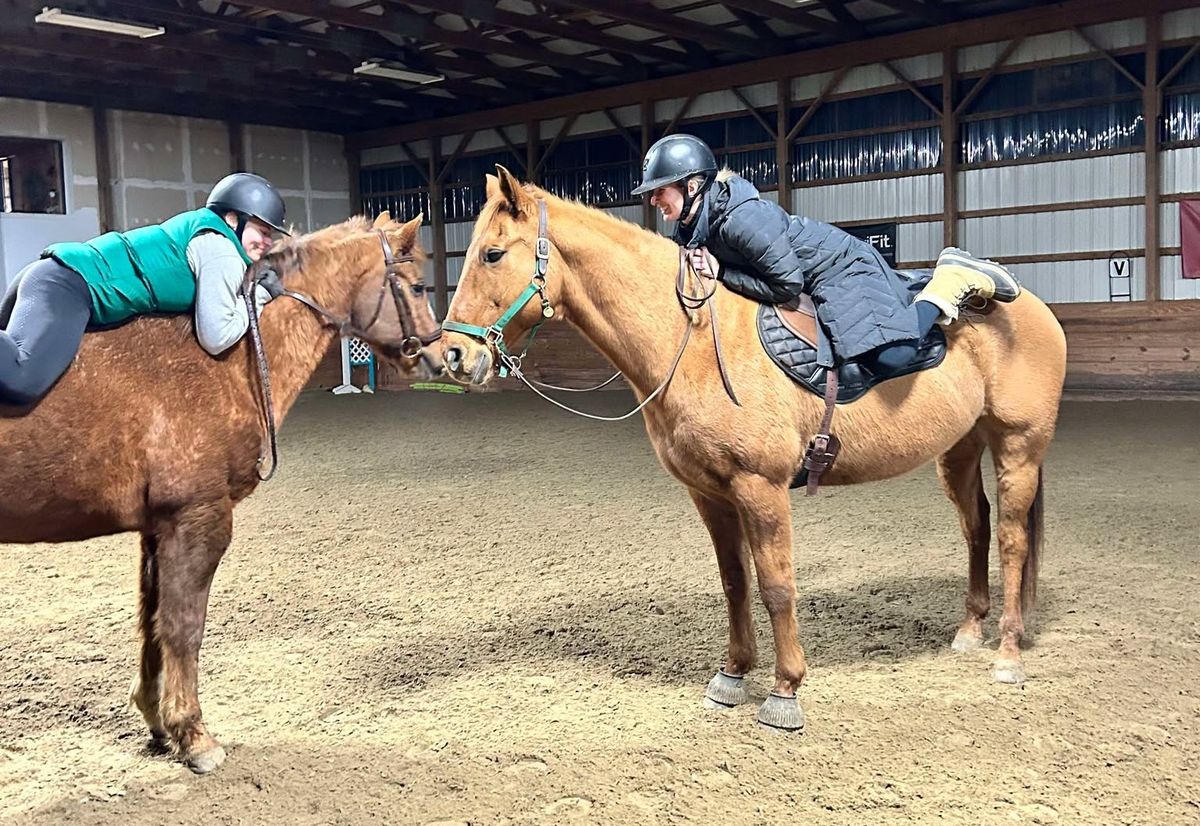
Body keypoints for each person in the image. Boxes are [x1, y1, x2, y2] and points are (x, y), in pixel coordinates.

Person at [632, 134, 1020, 373]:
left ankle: (948, 283)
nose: (652, 200)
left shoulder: (740, 219)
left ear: (694, 184)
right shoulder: (695, 225)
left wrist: (722, 274)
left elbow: (786, 286)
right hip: (811, 273)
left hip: (840, 268)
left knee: (892, 357)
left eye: (660, 190)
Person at [0, 172, 287, 405]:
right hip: (68, 286)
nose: (267, 242)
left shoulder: (204, 230)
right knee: (23, 380)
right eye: (262, 231)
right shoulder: (221, 250)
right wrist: (259, 297)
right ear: (233, 219)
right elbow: (217, 336)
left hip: (53, 275)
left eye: (270, 235)